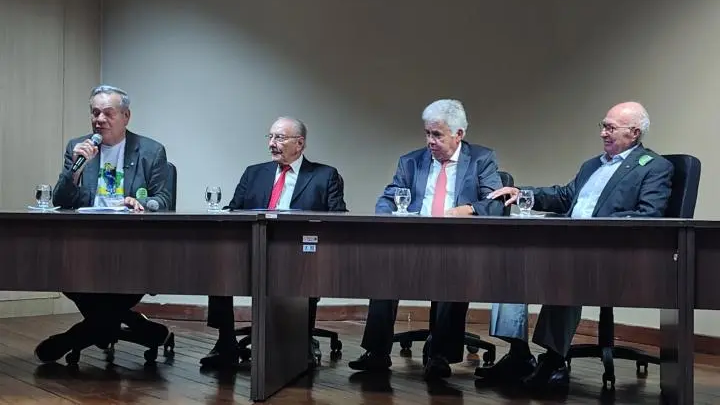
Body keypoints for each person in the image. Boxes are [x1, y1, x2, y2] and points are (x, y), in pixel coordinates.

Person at [481, 101, 673, 390]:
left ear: (634, 133)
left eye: (610, 128)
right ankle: (518, 352)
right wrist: (523, 193)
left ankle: (554, 360)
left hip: (612, 255)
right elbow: (564, 197)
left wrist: (592, 227)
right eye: (603, 126)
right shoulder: (593, 165)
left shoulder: (655, 167)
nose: (603, 133)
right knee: (513, 262)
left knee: (567, 272)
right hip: (570, 245)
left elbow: (649, 215)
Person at [348, 99, 505, 380]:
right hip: (413, 242)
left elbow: (496, 203)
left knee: (454, 271)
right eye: (427, 133)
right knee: (384, 271)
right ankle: (377, 352)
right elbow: (389, 197)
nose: (430, 141)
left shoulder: (481, 159)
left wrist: (468, 209)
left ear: (459, 134)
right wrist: (387, 216)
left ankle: (440, 356)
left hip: (459, 244)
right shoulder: (411, 161)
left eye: (437, 135)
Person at [35, 85, 172, 363]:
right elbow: (62, 200)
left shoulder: (151, 151)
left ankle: (72, 339)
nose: (100, 119)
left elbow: (164, 199)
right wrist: (75, 171)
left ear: (126, 116)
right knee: (70, 275)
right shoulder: (78, 147)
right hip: (85, 244)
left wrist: (140, 203)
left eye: (108, 113)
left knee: (119, 285)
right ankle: (140, 328)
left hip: (132, 246)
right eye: (95, 113)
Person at [202, 116, 347, 368]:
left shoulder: (324, 176)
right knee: (220, 267)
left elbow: (337, 219)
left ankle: (301, 343)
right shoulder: (254, 173)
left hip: (301, 255)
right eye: (270, 137)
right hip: (255, 250)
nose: (271, 143)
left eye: (279, 138)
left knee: (307, 267)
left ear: (299, 143)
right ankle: (225, 343)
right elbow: (234, 211)